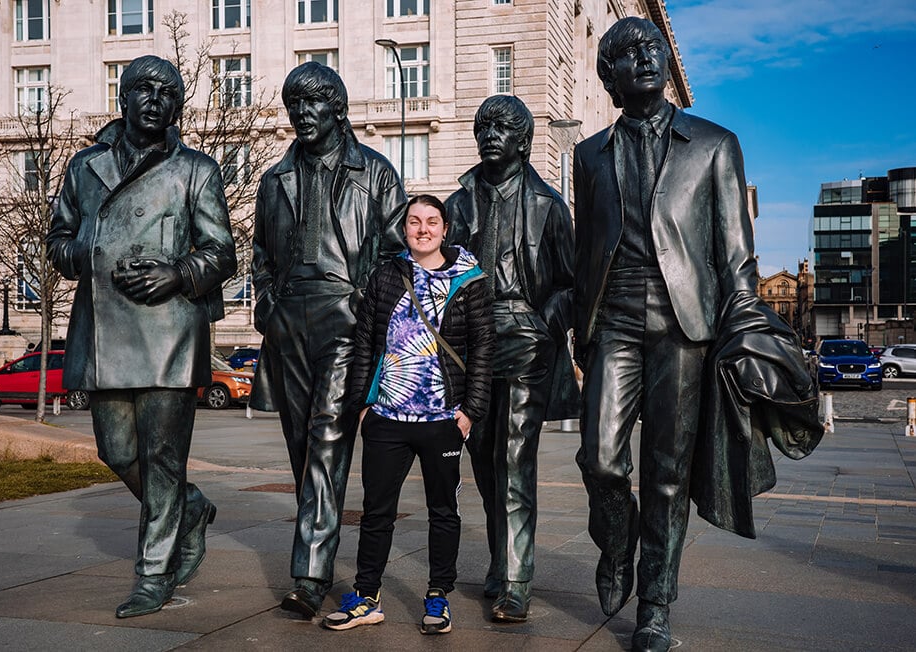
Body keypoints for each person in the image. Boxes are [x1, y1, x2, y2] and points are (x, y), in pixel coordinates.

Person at [572, 17, 765, 652]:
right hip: (614, 319)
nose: (645, 57)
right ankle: (618, 547)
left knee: (665, 472)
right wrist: (581, 329)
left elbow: (736, 254)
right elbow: (585, 249)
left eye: (651, 47)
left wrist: (745, 328)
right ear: (610, 75)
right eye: (628, 52)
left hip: (685, 324)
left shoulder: (714, 144)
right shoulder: (587, 154)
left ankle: (654, 606)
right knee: (600, 459)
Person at [47, 55, 237, 618]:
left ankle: (153, 573)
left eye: (166, 92)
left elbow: (221, 251)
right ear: (123, 99)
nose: (154, 100)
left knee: (162, 458)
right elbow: (58, 241)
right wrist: (87, 250)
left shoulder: (196, 169)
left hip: (169, 329)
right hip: (105, 332)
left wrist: (178, 272)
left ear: (177, 105)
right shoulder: (84, 166)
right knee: (117, 450)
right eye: (142, 90)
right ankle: (193, 509)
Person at [250, 61, 407, 619]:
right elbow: (260, 257)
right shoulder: (274, 180)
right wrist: (267, 305)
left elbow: (395, 255)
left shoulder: (377, 173)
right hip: (289, 319)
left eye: (313, 103)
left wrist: (367, 308)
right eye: (294, 104)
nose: (302, 114)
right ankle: (317, 543)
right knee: (302, 449)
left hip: (345, 317)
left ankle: (311, 573)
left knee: (326, 440)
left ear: (337, 108)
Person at [321, 194, 494, 635]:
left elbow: (483, 349)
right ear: (405, 229)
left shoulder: (470, 280)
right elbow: (365, 342)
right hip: (387, 419)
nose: (422, 229)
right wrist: (363, 404)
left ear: (445, 229)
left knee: (443, 512)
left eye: (431, 222)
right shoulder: (385, 275)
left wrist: (471, 411)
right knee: (377, 511)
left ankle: (438, 597)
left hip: (443, 420)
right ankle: (367, 596)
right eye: (414, 221)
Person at [445, 95, 579, 622]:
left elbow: (571, 283)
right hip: (470, 343)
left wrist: (546, 322)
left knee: (515, 457)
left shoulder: (549, 205)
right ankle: (502, 563)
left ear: (524, 141)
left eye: (503, 127)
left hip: (526, 335)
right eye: (484, 126)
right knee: (481, 456)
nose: (490, 134)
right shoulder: (458, 204)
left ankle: (518, 580)